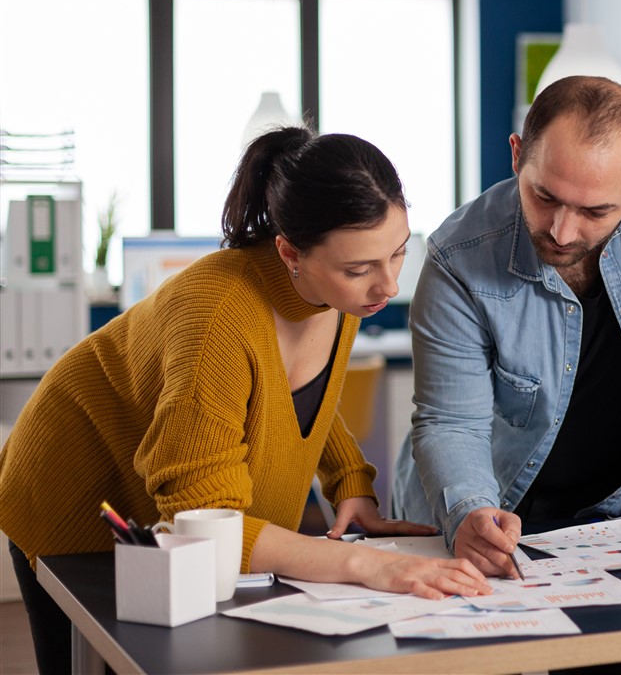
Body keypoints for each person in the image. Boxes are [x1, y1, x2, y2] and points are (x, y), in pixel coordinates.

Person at [0, 127, 488, 675]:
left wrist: (350, 482)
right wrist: (364, 564)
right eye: (359, 269)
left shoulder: (339, 296)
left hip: (166, 506)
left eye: (398, 253)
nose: (387, 286)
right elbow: (203, 521)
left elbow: (300, 394)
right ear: (290, 253)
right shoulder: (217, 318)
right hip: (74, 488)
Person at [392, 75, 621, 579]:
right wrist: (469, 511)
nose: (563, 231)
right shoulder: (458, 256)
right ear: (517, 154)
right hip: (494, 504)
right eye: (544, 196)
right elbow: (452, 421)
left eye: (595, 211)